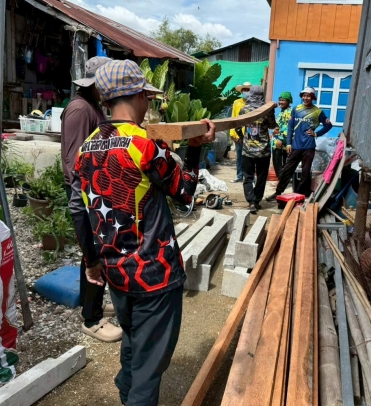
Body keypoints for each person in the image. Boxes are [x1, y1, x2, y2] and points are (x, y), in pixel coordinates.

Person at [69, 59, 215, 406]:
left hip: (115, 272)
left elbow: (81, 210)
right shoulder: (145, 145)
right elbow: (186, 193)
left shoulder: (86, 148)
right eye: (147, 96)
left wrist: (92, 262)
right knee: (150, 369)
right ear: (139, 95)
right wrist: (196, 147)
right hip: (155, 274)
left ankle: (126, 390)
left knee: (134, 341)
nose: (148, 102)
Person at [61, 56, 122, 343]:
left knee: (97, 253)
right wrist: (83, 200)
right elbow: (74, 162)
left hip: (93, 191)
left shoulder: (93, 106)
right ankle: (92, 319)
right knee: (94, 254)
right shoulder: (80, 109)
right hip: (83, 193)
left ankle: (93, 304)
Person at [266, 87, 332, 200]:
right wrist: (289, 143)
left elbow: (328, 125)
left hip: (309, 146)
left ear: (313, 97)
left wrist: (316, 134)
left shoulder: (317, 112)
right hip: (296, 146)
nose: (305, 98)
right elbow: (290, 127)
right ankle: (278, 192)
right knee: (287, 170)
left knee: (306, 172)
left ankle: (301, 195)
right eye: (304, 96)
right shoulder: (296, 109)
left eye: (308, 96)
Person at [236, 85, 277, 213]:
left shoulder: (244, 109)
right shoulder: (267, 110)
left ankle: (251, 202)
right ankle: (257, 200)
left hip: (248, 149)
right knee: (261, 176)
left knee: (247, 176)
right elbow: (272, 125)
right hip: (263, 151)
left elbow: (237, 126)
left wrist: (242, 138)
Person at [229, 81, 252, 183]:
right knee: (239, 157)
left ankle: (249, 177)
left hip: (250, 134)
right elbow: (233, 117)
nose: (246, 92)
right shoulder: (236, 102)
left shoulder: (254, 103)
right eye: (244, 90)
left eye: (248, 90)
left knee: (250, 157)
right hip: (238, 134)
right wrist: (232, 133)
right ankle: (239, 176)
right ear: (241, 91)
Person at [271, 92, 293, 177]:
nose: (281, 102)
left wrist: (280, 138)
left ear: (288, 101)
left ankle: (282, 181)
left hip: (281, 143)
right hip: (278, 142)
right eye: (280, 100)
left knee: (281, 165)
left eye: (283, 100)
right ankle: (281, 180)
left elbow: (288, 128)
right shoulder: (282, 112)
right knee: (279, 165)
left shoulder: (289, 112)